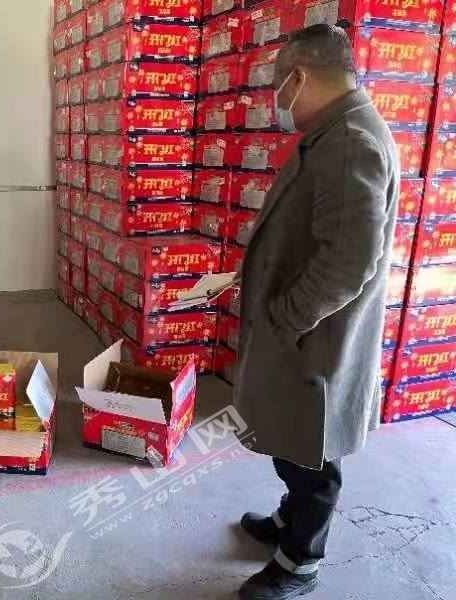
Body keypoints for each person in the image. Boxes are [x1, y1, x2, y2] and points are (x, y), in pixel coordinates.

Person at [233, 25, 400, 599]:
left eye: (278, 84)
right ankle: (288, 519)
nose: (276, 99)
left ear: (298, 78)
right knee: (293, 441)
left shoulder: (350, 141)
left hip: (315, 340)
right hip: (302, 334)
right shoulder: (331, 132)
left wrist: (285, 317)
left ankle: (299, 561)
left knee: (313, 455)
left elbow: (348, 262)